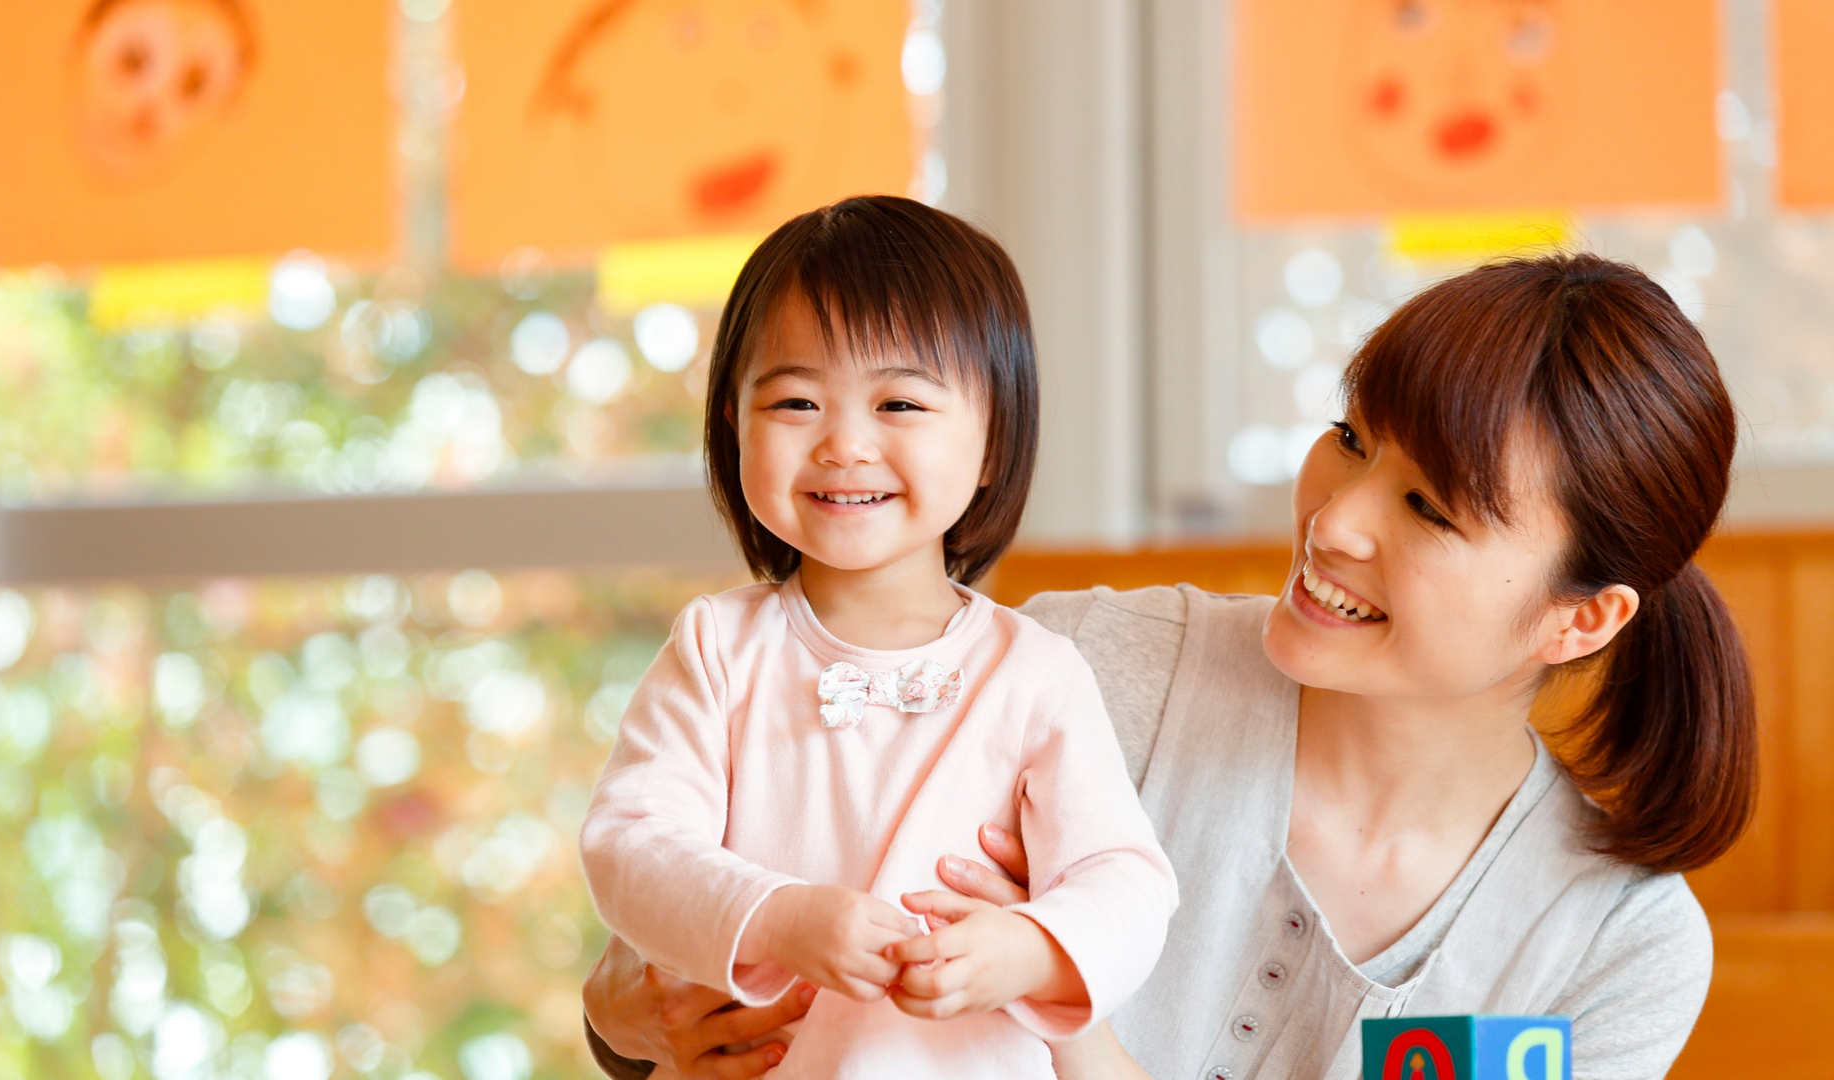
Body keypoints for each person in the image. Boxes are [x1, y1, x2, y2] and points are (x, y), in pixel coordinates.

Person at [583, 253, 1755, 1080]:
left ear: (1582, 620)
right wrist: (632, 1020)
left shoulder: (1618, 945)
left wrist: (1076, 1037)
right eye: (1349, 439)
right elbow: (725, 903)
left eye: (1429, 509)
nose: (1335, 520)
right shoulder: (1089, 660)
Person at [578, 196, 1178, 1079]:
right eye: (794, 401)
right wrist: (776, 917)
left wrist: (1028, 949)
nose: (845, 443)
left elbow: (1125, 880)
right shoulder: (716, 648)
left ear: (991, 442)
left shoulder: (1036, 672)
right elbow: (631, 846)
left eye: (899, 401)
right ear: (730, 426)